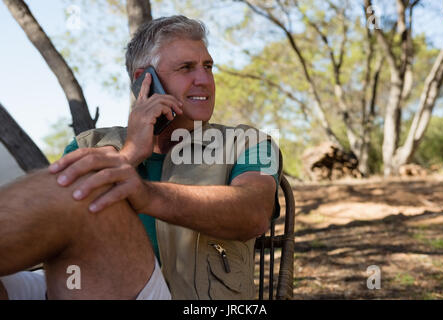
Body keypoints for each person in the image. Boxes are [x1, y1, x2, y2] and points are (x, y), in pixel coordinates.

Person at [0, 15, 281, 300]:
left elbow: (254, 213)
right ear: (144, 80)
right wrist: (130, 154)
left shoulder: (250, 142)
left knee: (89, 193)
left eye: (207, 67)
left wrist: (145, 195)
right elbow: (56, 217)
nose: (204, 80)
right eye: (186, 68)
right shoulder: (90, 144)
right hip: (79, 285)